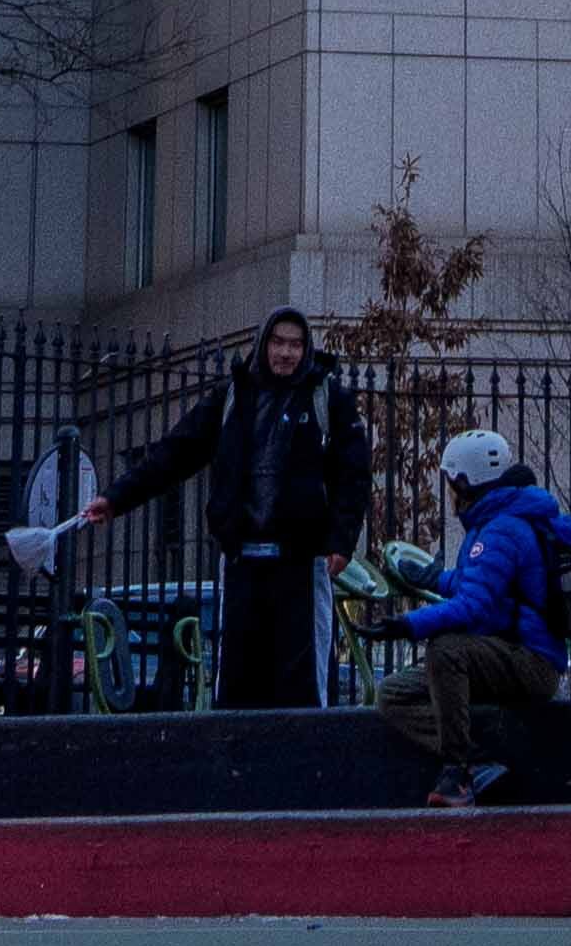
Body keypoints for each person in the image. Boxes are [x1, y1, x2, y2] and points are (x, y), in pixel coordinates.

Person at [66, 302, 374, 707]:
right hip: (242, 562)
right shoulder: (233, 397)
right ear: (263, 344)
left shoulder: (327, 398)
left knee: (303, 687)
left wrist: (341, 540)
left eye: (295, 345)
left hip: (300, 564)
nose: (286, 353)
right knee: (236, 684)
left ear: (307, 350)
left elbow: (353, 476)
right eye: (278, 343)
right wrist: (116, 498)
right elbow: (175, 452)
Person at [378, 424, 571, 804]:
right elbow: (482, 584)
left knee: (447, 649)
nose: (450, 493)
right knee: (393, 694)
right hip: (505, 654)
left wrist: (408, 625)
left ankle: (457, 773)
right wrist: (432, 578)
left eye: (451, 483)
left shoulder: (503, 530)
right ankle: (479, 764)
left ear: (465, 482)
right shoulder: (497, 523)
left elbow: (473, 605)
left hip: (531, 662)